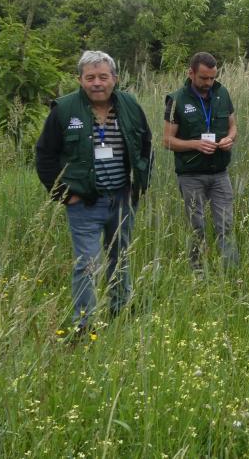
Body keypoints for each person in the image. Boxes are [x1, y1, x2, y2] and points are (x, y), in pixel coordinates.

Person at [35, 50, 153, 335]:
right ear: (80, 80)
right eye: (90, 77)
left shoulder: (130, 105)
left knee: (120, 256)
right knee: (87, 264)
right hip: (84, 203)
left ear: (115, 78)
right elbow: (44, 155)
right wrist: (64, 195)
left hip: (123, 198)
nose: (97, 83)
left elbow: (146, 144)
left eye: (103, 76)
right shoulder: (63, 110)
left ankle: (120, 308)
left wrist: (140, 185)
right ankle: (84, 324)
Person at [163, 52, 239, 273]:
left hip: (220, 173)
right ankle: (198, 273)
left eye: (212, 78)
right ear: (191, 73)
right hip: (191, 175)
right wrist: (195, 144)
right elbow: (167, 140)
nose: (208, 83)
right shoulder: (176, 99)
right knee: (197, 226)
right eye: (203, 78)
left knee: (225, 224)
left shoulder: (222, 93)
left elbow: (233, 126)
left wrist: (229, 139)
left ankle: (231, 273)